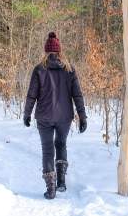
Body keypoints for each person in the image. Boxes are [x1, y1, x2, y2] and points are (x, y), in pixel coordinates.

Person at [23, 32, 87, 199]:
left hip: (44, 116)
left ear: (46, 51)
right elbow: (77, 95)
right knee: (61, 144)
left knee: (47, 149)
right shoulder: (69, 69)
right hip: (64, 116)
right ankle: (61, 182)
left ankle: (51, 188)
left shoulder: (39, 69)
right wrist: (82, 116)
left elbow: (32, 95)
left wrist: (27, 113)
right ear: (60, 51)